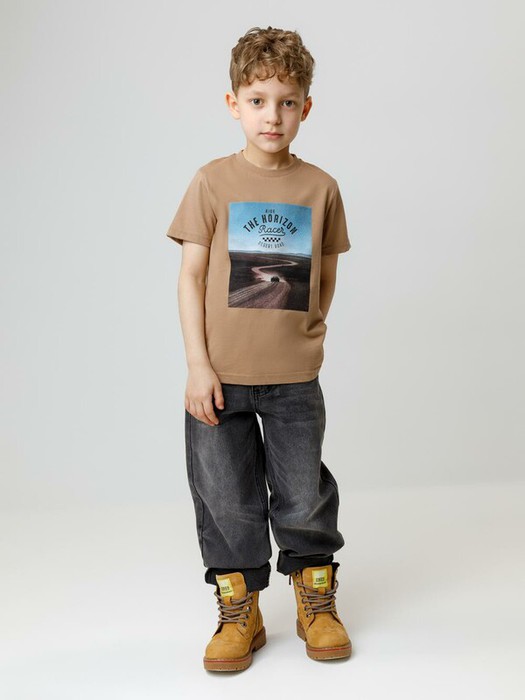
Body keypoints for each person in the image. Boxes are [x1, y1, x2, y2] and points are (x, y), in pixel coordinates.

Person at [165, 25, 352, 672]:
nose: (272, 115)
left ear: (306, 108)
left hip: (294, 377)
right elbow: (190, 277)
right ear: (233, 104)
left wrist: (309, 329)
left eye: (287, 102)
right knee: (225, 497)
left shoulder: (320, 188)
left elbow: (326, 272)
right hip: (219, 377)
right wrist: (198, 365)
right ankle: (238, 610)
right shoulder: (212, 182)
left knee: (303, 493)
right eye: (257, 100)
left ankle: (316, 601)